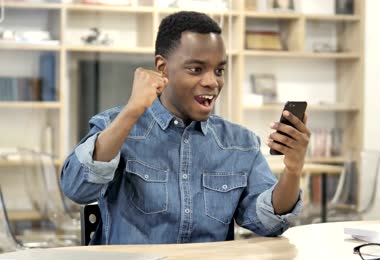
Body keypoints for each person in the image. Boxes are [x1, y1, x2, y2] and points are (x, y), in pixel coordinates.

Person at [60, 11, 310, 245]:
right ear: (162, 68)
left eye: (219, 70)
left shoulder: (240, 142)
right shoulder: (114, 126)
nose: (212, 82)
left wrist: (293, 169)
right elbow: (77, 189)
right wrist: (133, 110)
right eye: (196, 69)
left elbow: (267, 222)